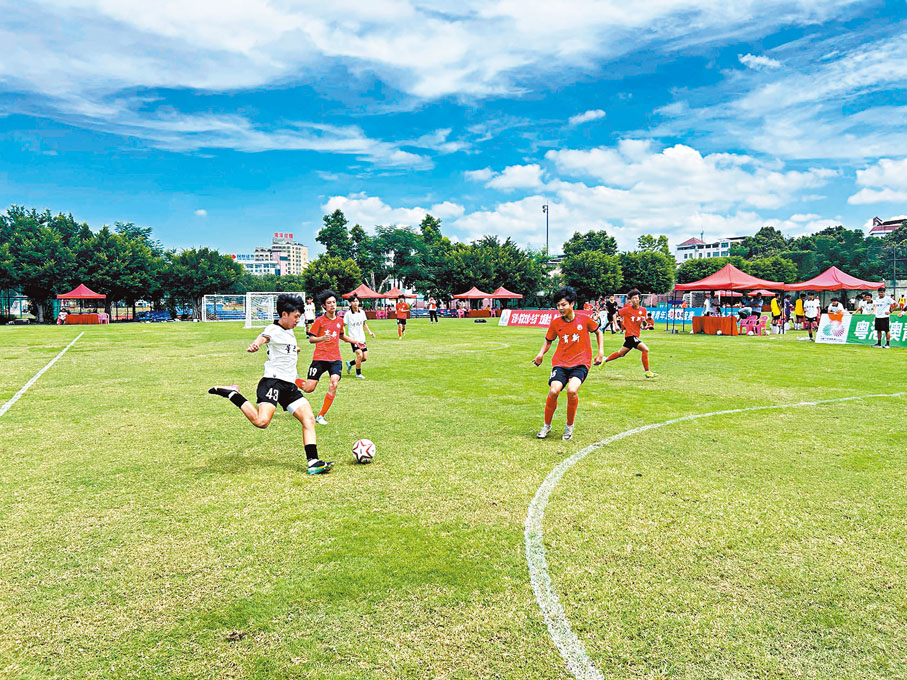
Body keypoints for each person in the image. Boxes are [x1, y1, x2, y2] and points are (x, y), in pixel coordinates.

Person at [207, 293, 333, 475]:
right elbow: (263, 338)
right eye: (296, 316)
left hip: (289, 385)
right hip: (273, 382)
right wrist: (256, 344)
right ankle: (232, 393)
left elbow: (282, 348)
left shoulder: (289, 332)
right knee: (262, 421)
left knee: (309, 419)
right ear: (284, 314)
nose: (298, 320)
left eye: (299, 316)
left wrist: (294, 350)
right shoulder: (273, 329)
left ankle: (313, 462)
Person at [532, 286, 604, 441]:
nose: (560, 308)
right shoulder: (556, 323)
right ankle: (546, 426)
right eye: (558, 305)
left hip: (580, 363)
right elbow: (548, 341)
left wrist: (600, 352)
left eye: (563, 304)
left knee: (572, 391)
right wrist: (540, 354)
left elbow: (599, 332)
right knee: (554, 391)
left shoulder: (584, 319)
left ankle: (569, 426)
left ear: (572, 304)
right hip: (560, 363)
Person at [299, 290, 357, 425]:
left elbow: (341, 336)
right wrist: (322, 338)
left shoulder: (340, 321)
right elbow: (311, 339)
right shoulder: (319, 321)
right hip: (320, 358)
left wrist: (355, 341)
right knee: (309, 388)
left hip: (335, 359)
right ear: (324, 306)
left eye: (334, 302)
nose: (332, 305)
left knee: (334, 383)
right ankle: (293, 379)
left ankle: (321, 415)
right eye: (329, 303)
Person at [604, 288, 657, 379]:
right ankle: (647, 372)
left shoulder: (643, 310)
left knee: (621, 353)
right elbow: (614, 315)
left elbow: (644, 325)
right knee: (645, 349)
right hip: (630, 335)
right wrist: (616, 325)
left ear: (640, 299)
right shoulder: (626, 309)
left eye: (636, 298)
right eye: (633, 298)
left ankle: (605, 360)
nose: (634, 300)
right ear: (630, 300)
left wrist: (644, 321)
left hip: (635, 335)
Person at [344, 295, 375, 378]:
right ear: (350, 303)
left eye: (357, 301)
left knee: (364, 358)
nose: (355, 303)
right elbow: (343, 325)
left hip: (362, 338)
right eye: (353, 301)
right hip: (353, 339)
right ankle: (358, 374)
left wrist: (370, 332)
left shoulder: (362, 312)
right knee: (359, 355)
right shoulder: (348, 314)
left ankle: (350, 363)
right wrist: (344, 336)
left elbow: (364, 324)